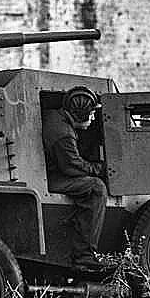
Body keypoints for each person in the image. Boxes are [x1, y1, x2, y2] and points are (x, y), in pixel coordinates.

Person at [42, 86, 108, 271]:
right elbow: (72, 167)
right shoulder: (63, 133)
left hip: (51, 172)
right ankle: (84, 255)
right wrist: (100, 169)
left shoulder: (57, 118)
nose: (93, 118)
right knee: (96, 188)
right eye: (91, 113)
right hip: (51, 178)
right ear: (79, 114)